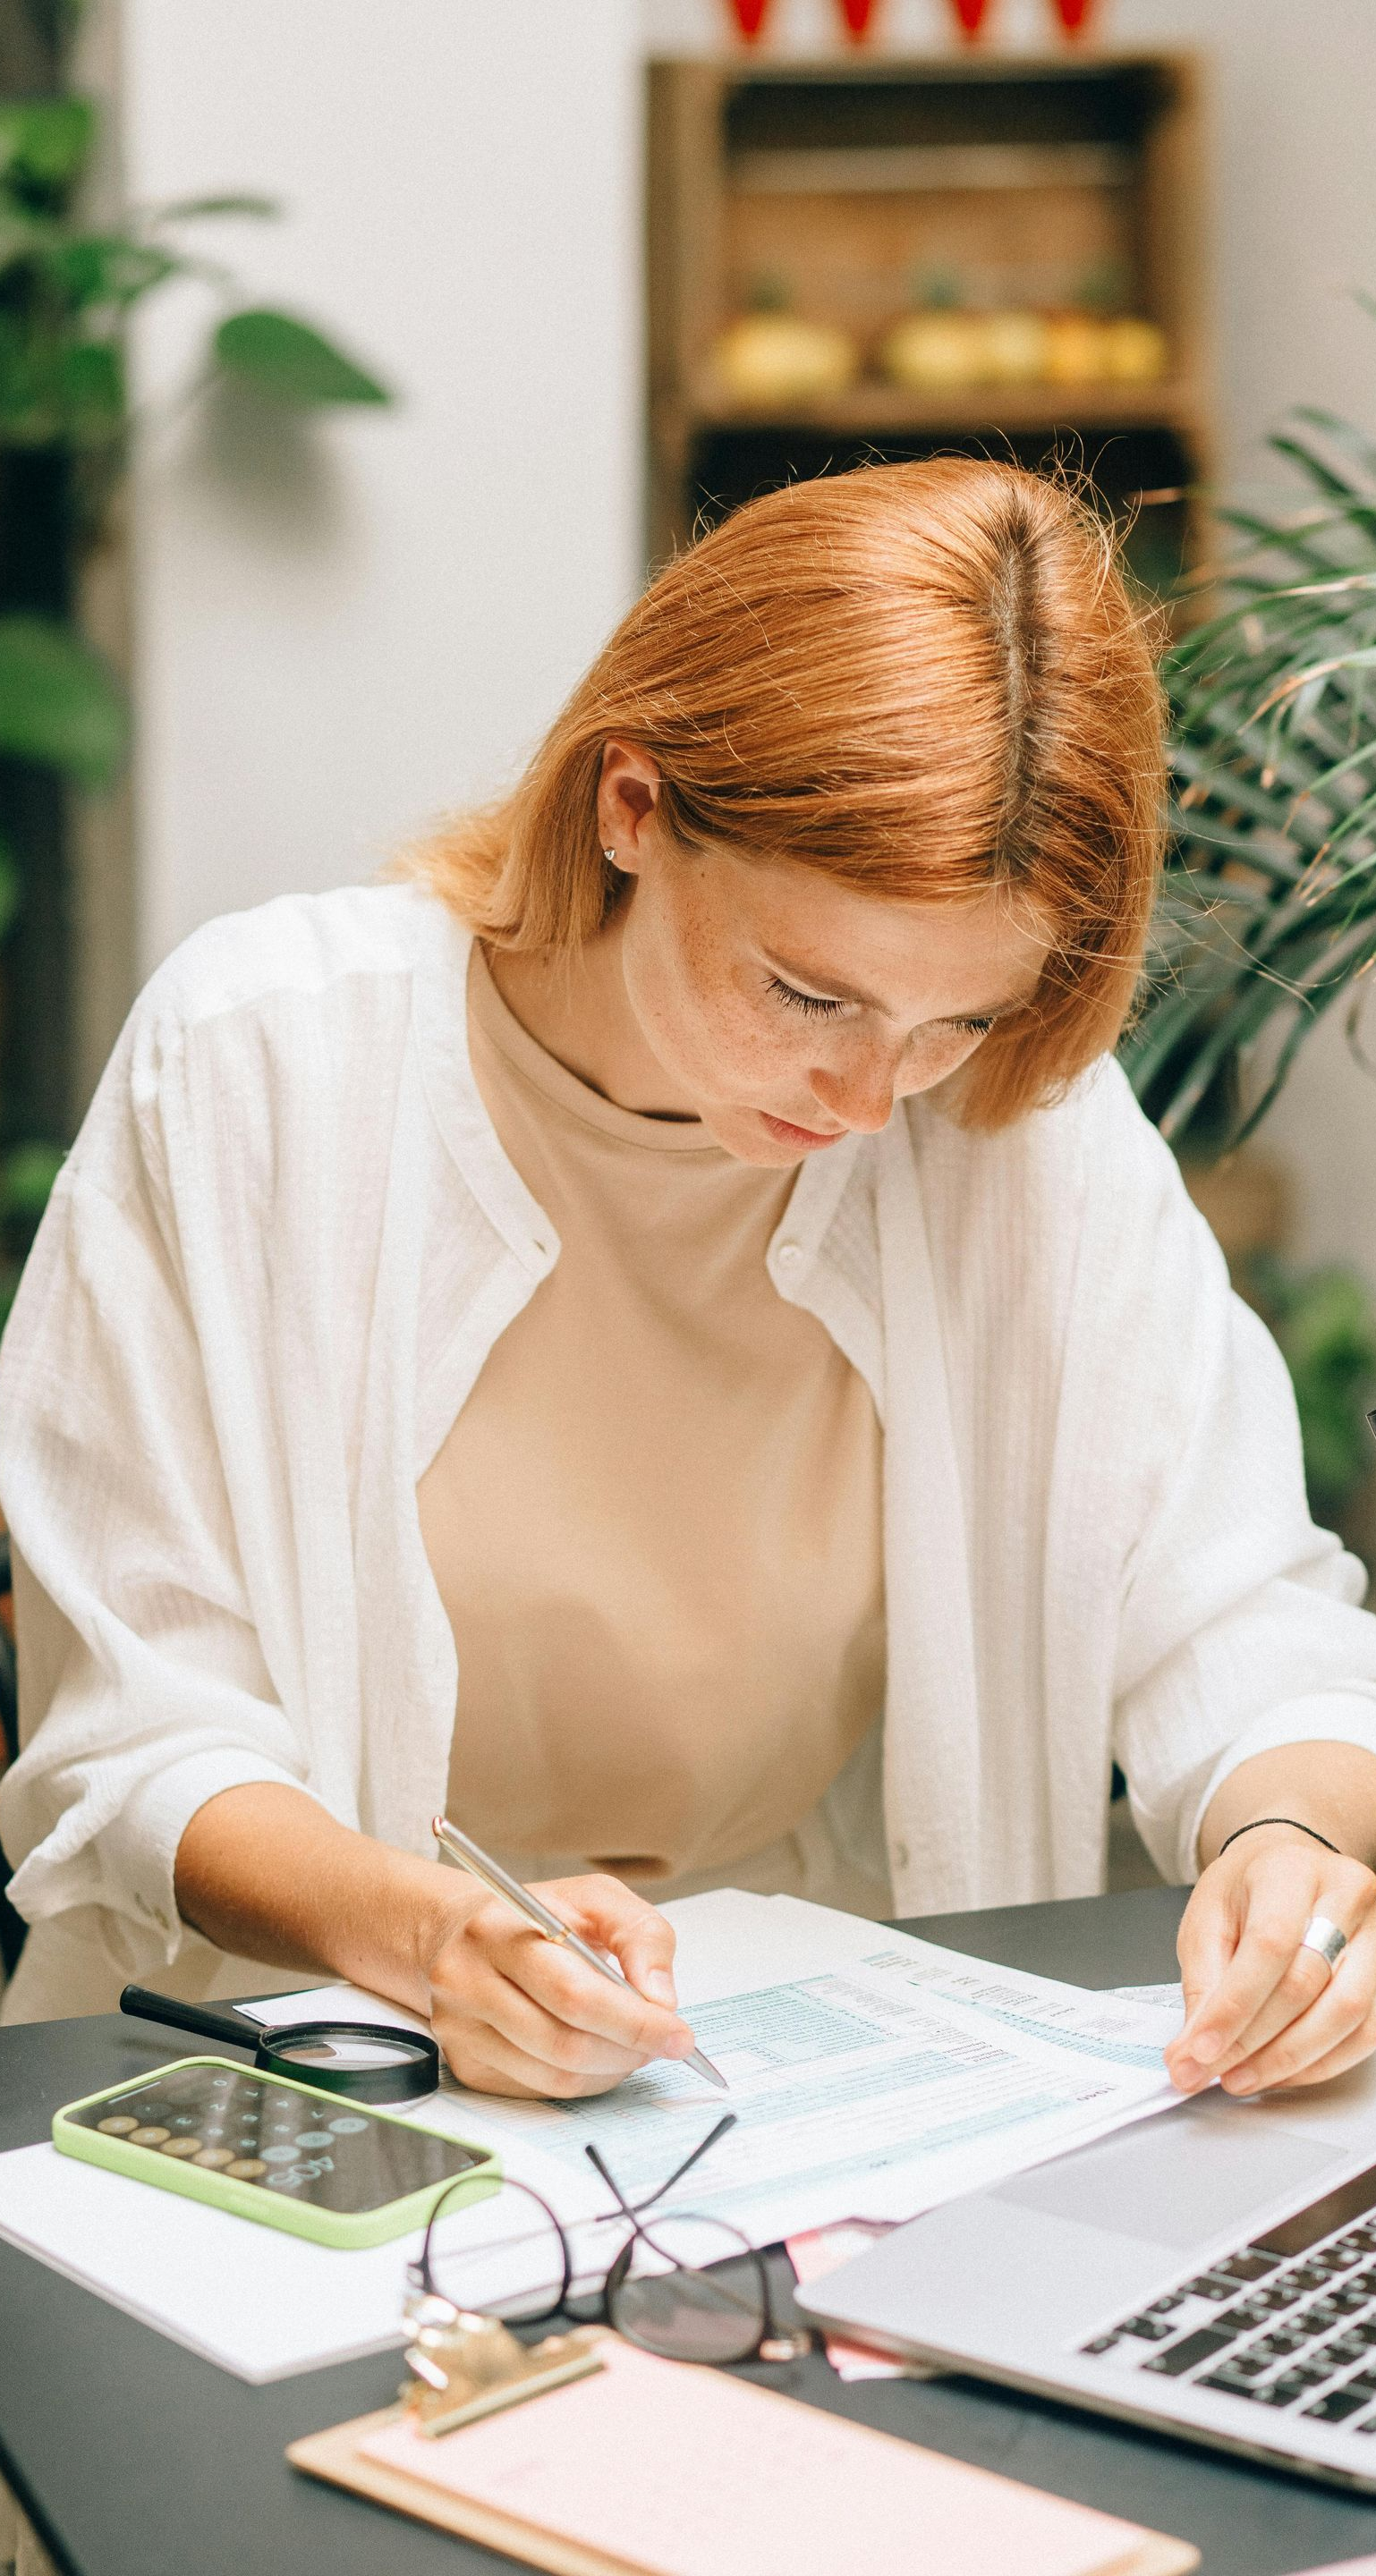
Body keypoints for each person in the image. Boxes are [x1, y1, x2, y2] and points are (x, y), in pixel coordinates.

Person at [2, 456, 1375, 2111]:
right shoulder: (263, 1063)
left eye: (955, 1022)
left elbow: (1240, 1622)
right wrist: (437, 1946)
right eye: (808, 993)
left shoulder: (1018, 1130)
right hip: (294, 2070)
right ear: (630, 804)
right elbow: (136, 1744)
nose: (870, 1102)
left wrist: (1285, 1846)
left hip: (804, 2080)